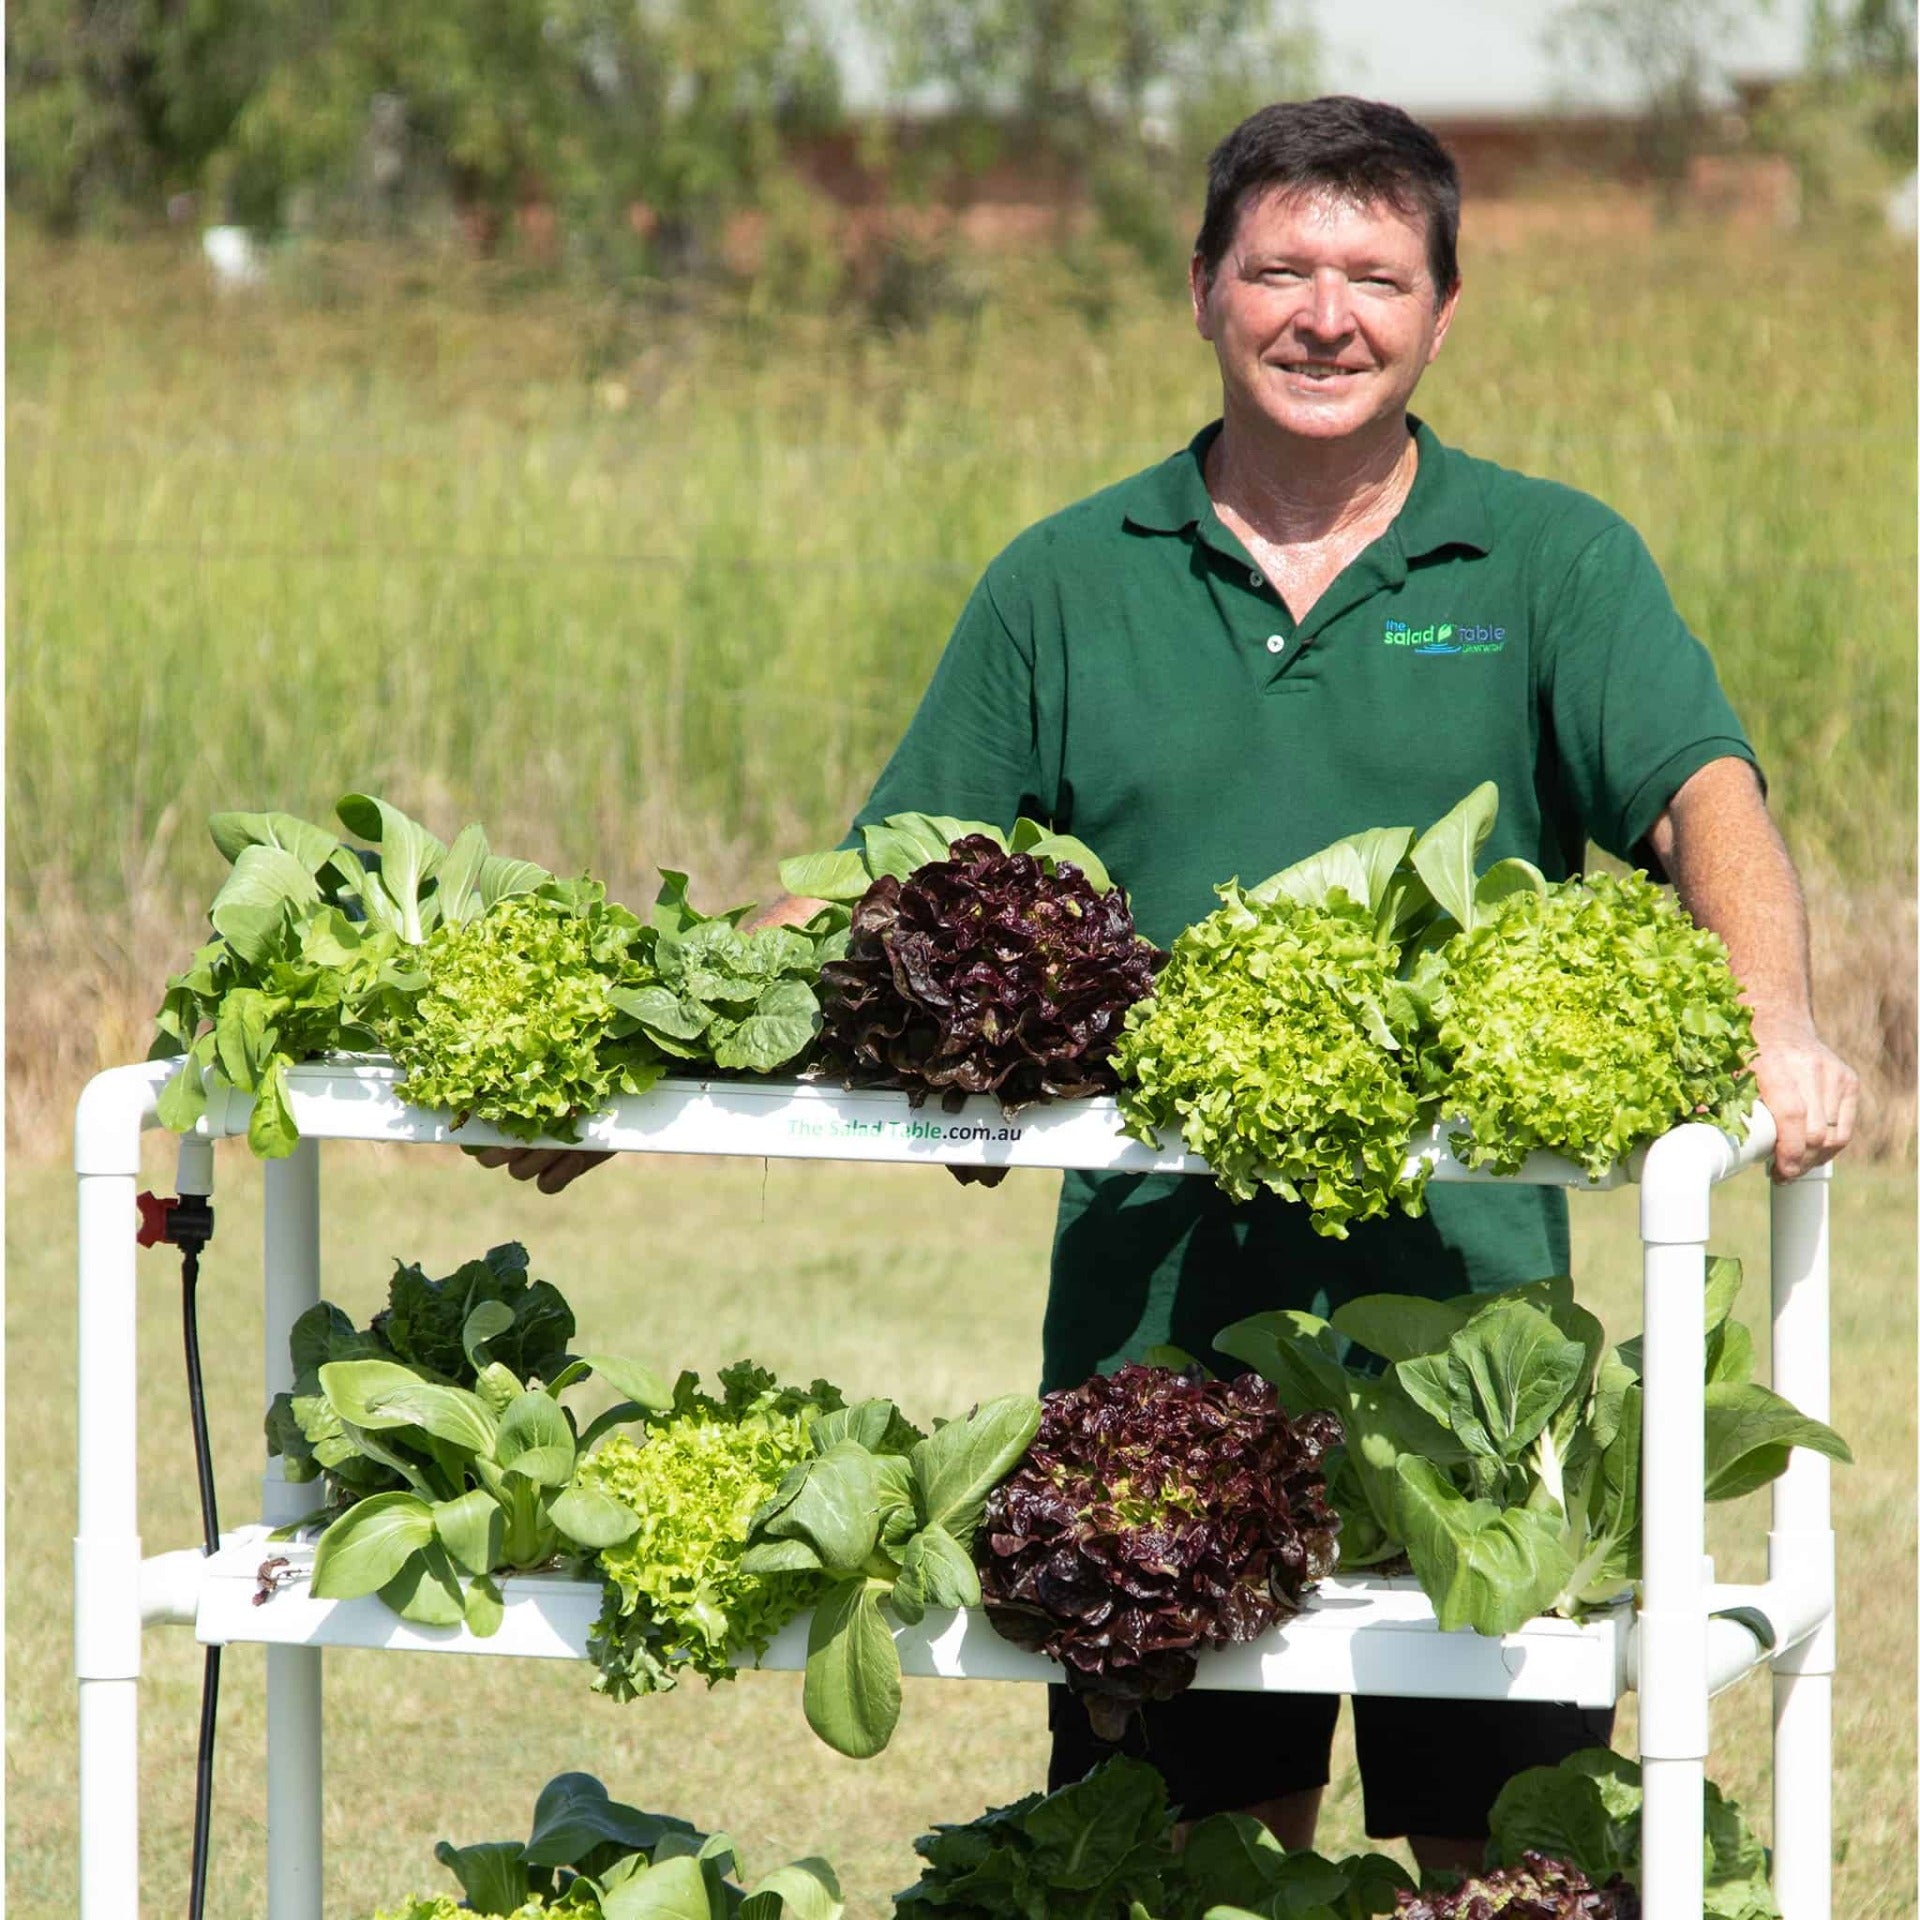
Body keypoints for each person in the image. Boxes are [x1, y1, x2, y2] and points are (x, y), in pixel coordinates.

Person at [476, 96, 1857, 1872]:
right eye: (1280, 267)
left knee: (1510, 1868)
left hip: (1481, 1385)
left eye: (1376, 274)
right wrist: (632, 1070)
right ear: (1202, 288)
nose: (1325, 313)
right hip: (1154, 1382)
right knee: (1192, 1870)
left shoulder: (1548, 561)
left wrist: (1776, 1020)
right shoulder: (1065, 582)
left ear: (1445, 310)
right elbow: (893, 892)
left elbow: (1698, 793)